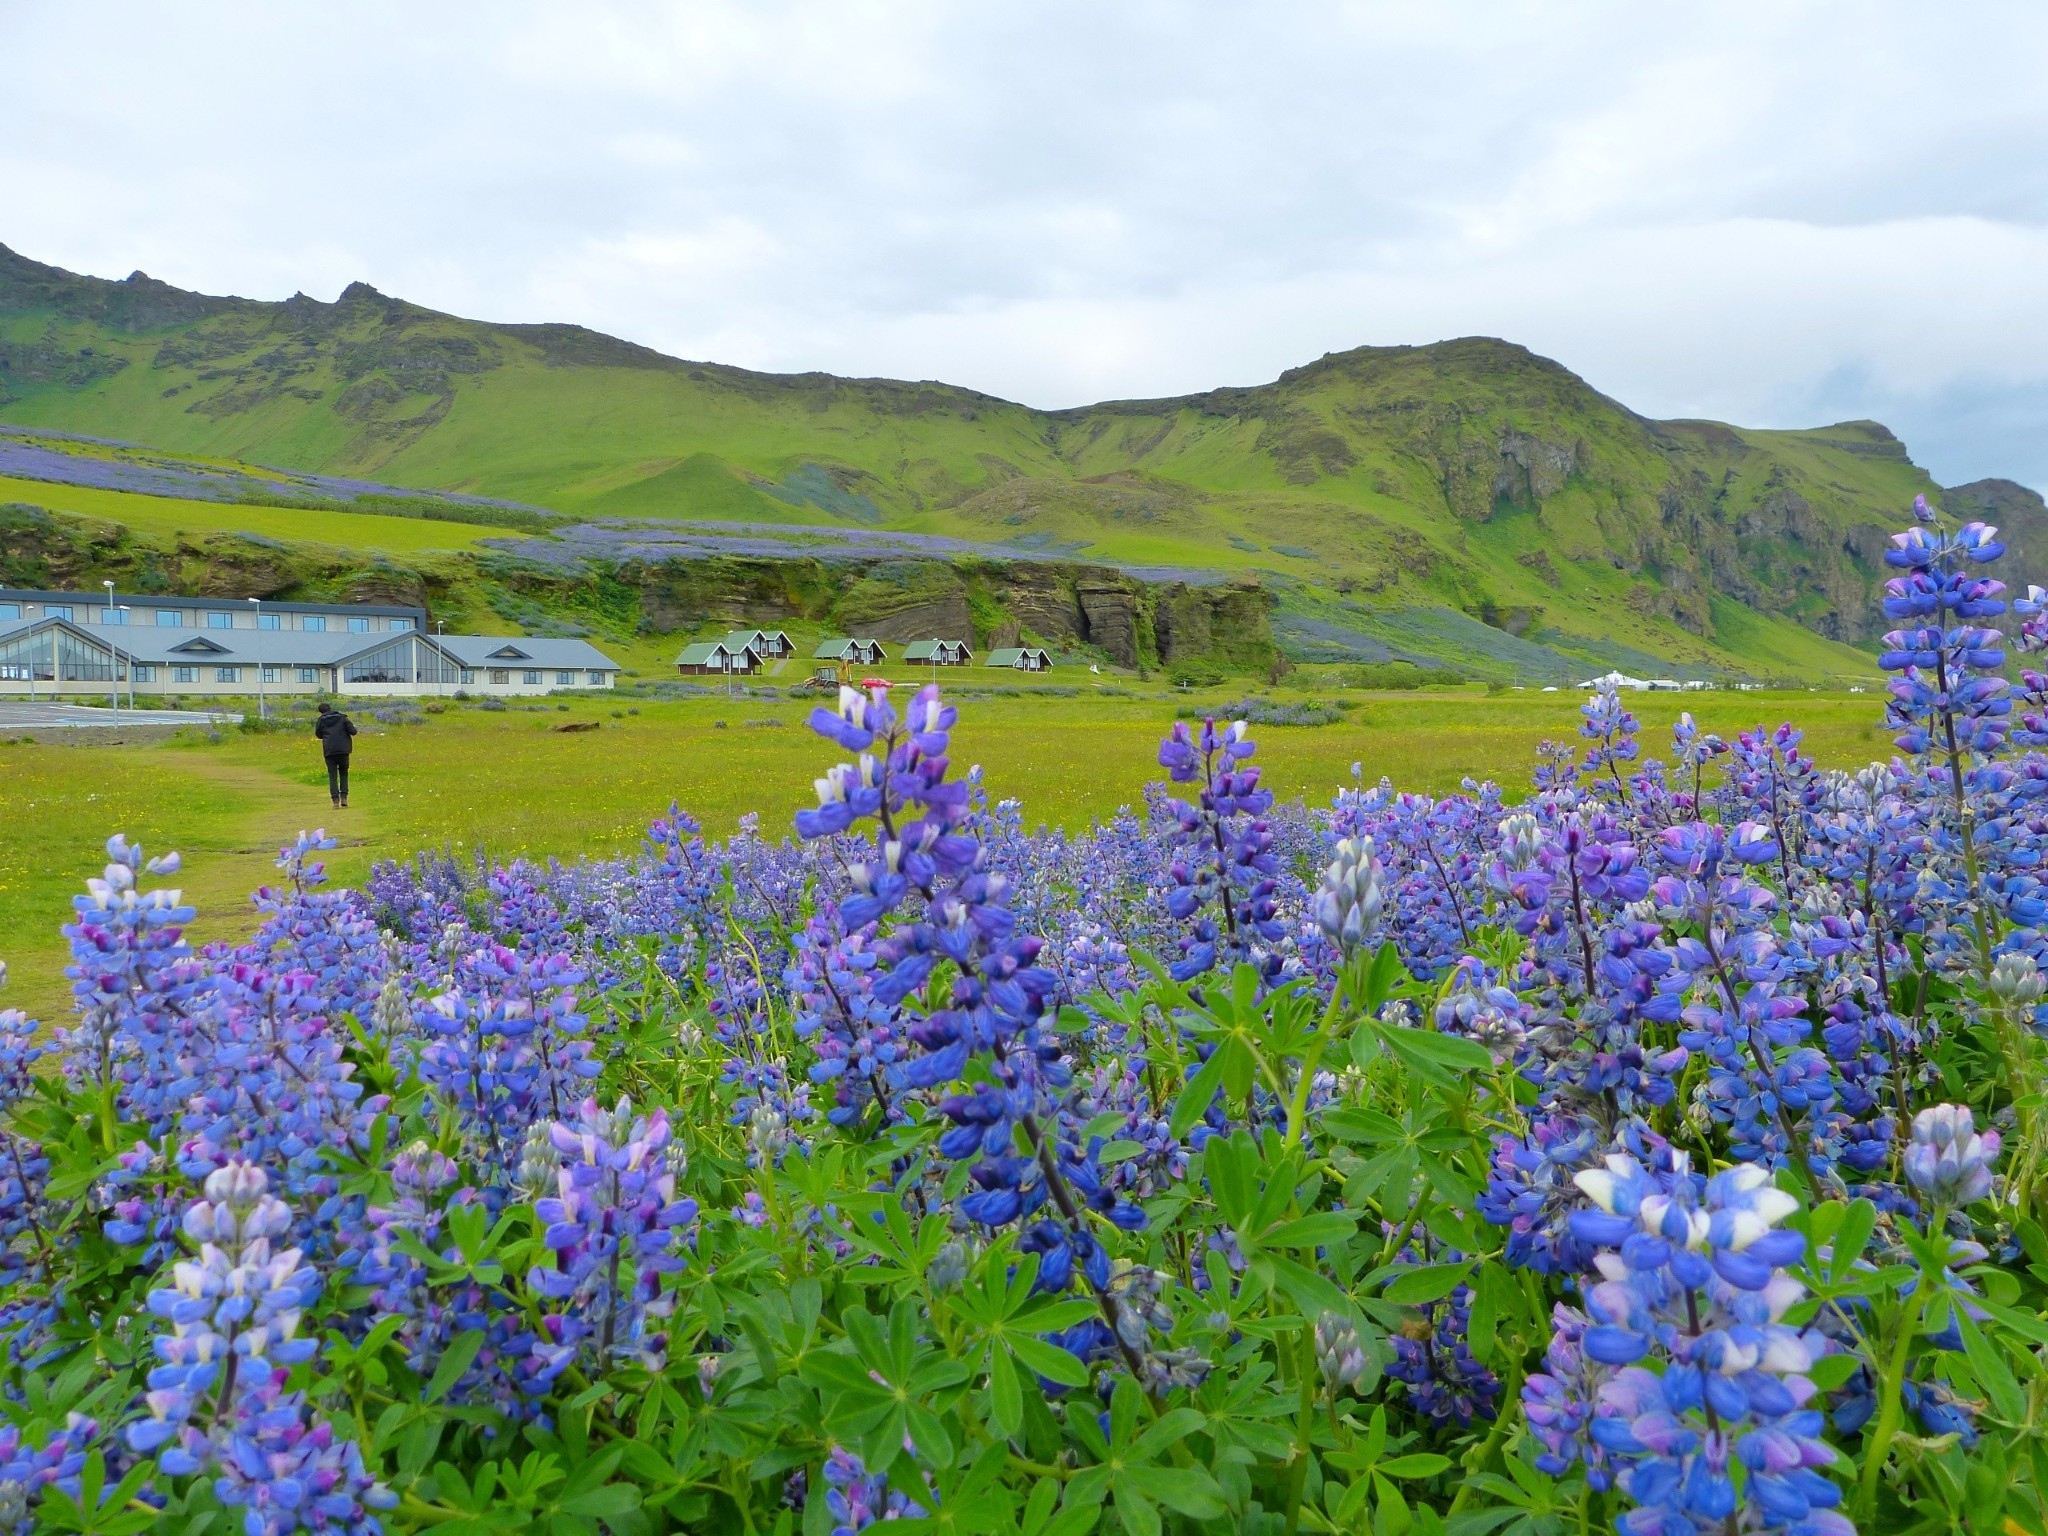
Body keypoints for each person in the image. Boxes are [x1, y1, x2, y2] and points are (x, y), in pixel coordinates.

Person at [314, 700, 357, 808]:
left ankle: (335, 801)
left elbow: (318, 735)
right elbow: (353, 731)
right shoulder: (342, 718)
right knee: (344, 773)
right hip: (343, 750)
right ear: (330, 708)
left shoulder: (321, 720)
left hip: (329, 750)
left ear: (321, 712)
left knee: (332, 776)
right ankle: (344, 798)